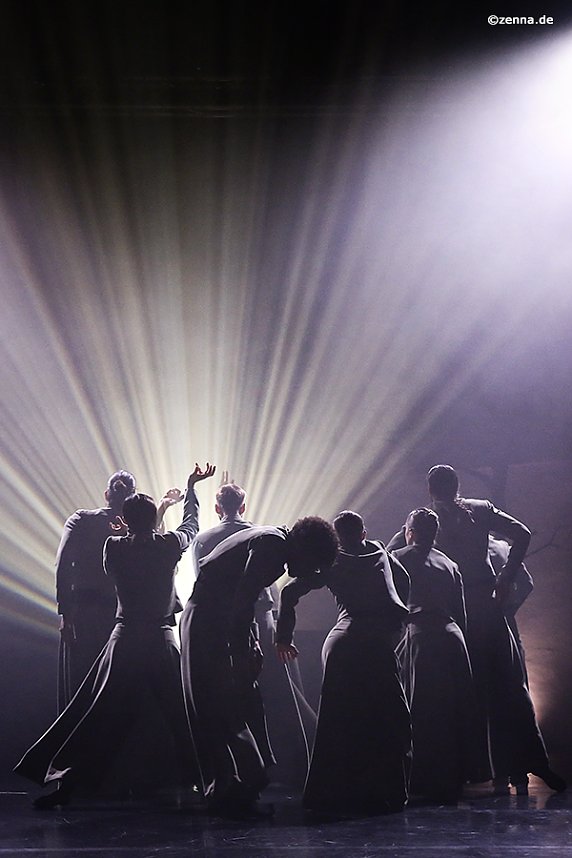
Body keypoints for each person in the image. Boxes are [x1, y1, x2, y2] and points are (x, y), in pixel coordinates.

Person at [15, 463, 215, 809]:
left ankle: (67, 783)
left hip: (124, 638)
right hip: (160, 637)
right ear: (153, 520)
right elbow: (191, 525)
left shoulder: (114, 547)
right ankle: (210, 782)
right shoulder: (167, 545)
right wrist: (191, 488)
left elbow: (109, 555)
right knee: (182, 714)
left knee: (97, 712)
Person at [388, 464, 566, 794]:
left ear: (430, 489)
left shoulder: (426, 521)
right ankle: (519, 766)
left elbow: (391, 557)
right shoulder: (478, 510)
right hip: (483, 608)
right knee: (507, 687)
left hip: (462, 613)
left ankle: (476, 769)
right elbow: (522, 534)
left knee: (472, 691)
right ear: (456, 485)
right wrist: (505, 577)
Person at [179, 515, 339, 817]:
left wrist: (247, 643)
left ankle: (238, 778)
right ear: (305, 549)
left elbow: (242, 599)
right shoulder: (272, 546)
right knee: (215, 701)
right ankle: (240, 777)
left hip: (213, 617)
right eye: (312, 564)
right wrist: (241, 651)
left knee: (215, 701)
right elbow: (243, 599)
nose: (307, 572)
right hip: (209, 619)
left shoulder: (272, 540)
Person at [276, 511, 411, 816]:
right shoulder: (383, 554)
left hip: (342, 644)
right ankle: (386, 792)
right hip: (376, 643)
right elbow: (403, 591)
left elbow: (289, 591)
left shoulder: (333, 562)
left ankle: (333, 793)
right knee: (388, 719)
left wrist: (283, 636)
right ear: (364, 532)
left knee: (338, 723)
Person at [392, 508, 476, 803]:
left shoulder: (398, 559)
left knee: (421, 709)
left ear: (410, 531)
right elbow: (461, 612)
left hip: (421, 636)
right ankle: (453, 774)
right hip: (452, 637)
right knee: (451, 708)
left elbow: (392, 604)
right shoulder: (450, 564)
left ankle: (421, 776)